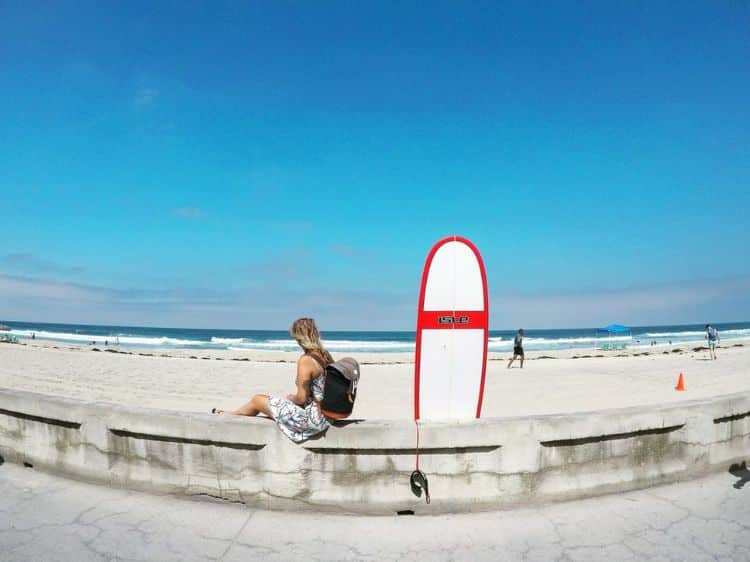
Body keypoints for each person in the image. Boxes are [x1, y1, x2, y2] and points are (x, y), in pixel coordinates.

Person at [212, 318, 333, 443]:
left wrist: (292, 398)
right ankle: (235, 413)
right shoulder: (325, 355)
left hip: (310, 420)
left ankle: (232, 415)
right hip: (325, 416)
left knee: (257, 399)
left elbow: (301, 398)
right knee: (267, 401)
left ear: (301, 338)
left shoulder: (306, 360)